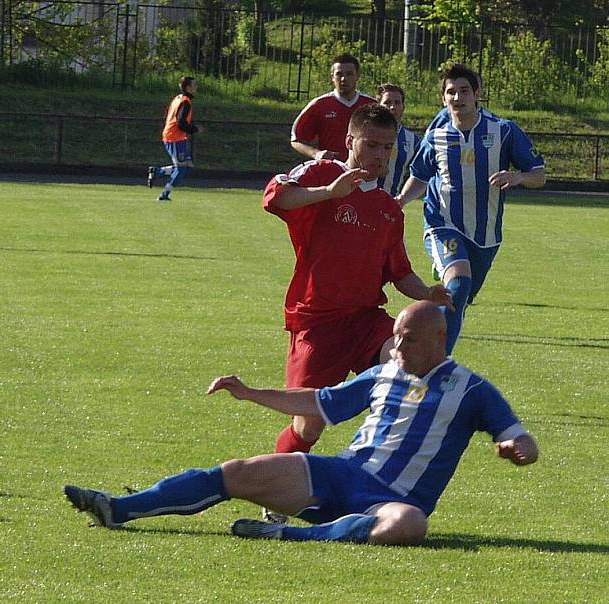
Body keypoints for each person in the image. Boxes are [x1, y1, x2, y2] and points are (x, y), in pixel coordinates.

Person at [64, 301, 539, 546]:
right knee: (240, 471)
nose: (397, 349)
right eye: (395, 338)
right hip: (339, 474)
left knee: (411, 525)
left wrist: (516, 450)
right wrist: (251, 393)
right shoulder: (384, 372)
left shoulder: (473, 390)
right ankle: (120, 508)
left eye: (408, 341)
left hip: (391, 502)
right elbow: (319, 401)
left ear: (440, 339)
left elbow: (523, 439)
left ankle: (286, 534)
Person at [262, 105, 452, 514]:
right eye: (371, 144)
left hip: (366, 321)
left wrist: (428, 293)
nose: (380, 155)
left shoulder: (387, 208)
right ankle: (276, 491)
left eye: (388, 147)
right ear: (350, 142)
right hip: (316, 322)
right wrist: (329, 193)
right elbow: (276, 196)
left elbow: (398, 274)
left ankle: (378, 475)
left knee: (412, 365)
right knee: (307, 425)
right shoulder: (320, 176)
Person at [395, 64, 545, 354]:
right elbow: (421, 176)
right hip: (442, 224)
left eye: (464, 90)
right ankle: (438, 362)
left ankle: (431, 331)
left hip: (485, 235)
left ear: (477, 94)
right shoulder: (436, 135)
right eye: (451, 92)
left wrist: (518, 177)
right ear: (443, 99)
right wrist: (400, 200)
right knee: (460, 284)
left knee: (460, 298)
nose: (457, 97)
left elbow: (539, 175)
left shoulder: (503, 131)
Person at [290, 53, 376, 163]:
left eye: (349, 74)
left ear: (357, 75)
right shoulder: (319, 105)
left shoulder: (371, 105)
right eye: (339, 74)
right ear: (332, 77)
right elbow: (296, 140)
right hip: (331, 170)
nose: (344, 78)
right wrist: (316, 153)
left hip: (365, 171)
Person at [147, 76, 201, 202]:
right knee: (181, 169)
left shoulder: (178, 98)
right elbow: (181, 123)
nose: (196, 87)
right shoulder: (185, 102)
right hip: (174, 137)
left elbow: (169, 115)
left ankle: (157, 172)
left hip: (175, 136)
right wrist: (194, 129)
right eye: (194, 85)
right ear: (188, 87)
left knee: (188, 166)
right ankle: (164, 194)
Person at [375, 83, 420, 197]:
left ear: (403, 107)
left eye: (397, 102)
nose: (392, 107)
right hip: (363, 199)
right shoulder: (365, 133)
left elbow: (421, 174)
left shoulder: (413, 141)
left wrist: (404, 196)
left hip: (392, 202)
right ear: (378, 105)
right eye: (387, 102)